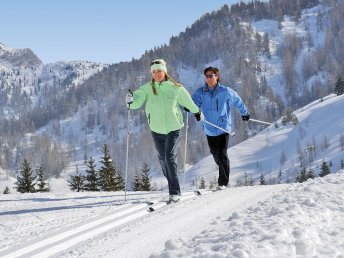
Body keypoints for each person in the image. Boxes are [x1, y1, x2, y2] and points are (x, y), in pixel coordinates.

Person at [125, 59, 200, 202]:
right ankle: (171, 182)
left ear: (164, 71)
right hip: (156, 129)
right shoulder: (146, 88)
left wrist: (197, 112)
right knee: (163, 159)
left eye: (159, 70)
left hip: (174, 128)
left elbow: (188, 102)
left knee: (169, 156)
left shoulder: (176, 87)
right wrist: (129, 101)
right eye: (154, 71)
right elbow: (136, 103)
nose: (156, 74)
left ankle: (175, 191)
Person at [191, 67, 250, 190]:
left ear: (217, 76)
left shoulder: (226, 91)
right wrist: (190, 107)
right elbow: (193, 103)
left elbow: (238, 101)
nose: (209, 78)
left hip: (223, 128)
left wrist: (244, 113)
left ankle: (222, 182)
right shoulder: (201, 92)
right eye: (206, 76)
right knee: (215, 154)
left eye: (211, 75)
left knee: (222, 154)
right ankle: (224, 168)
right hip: (209, 128)